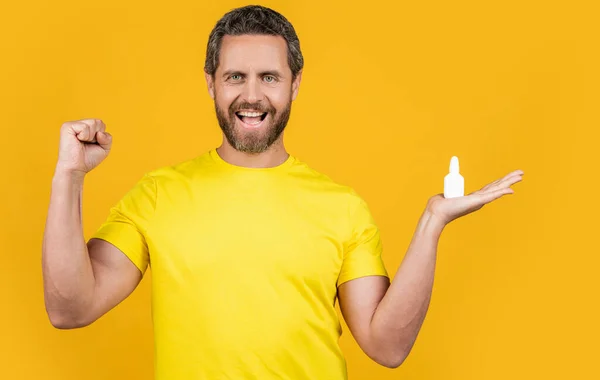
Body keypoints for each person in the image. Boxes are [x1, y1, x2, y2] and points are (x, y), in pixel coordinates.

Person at [42, 5, 523, 380]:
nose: (252, 95)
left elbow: (387, 346)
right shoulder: (156, 195)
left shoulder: (342, 207)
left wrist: (432, 222)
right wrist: (69, 176)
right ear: (210, 83)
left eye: (269, 77)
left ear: (295, 85)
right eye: (236, 76)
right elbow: (70, 308)